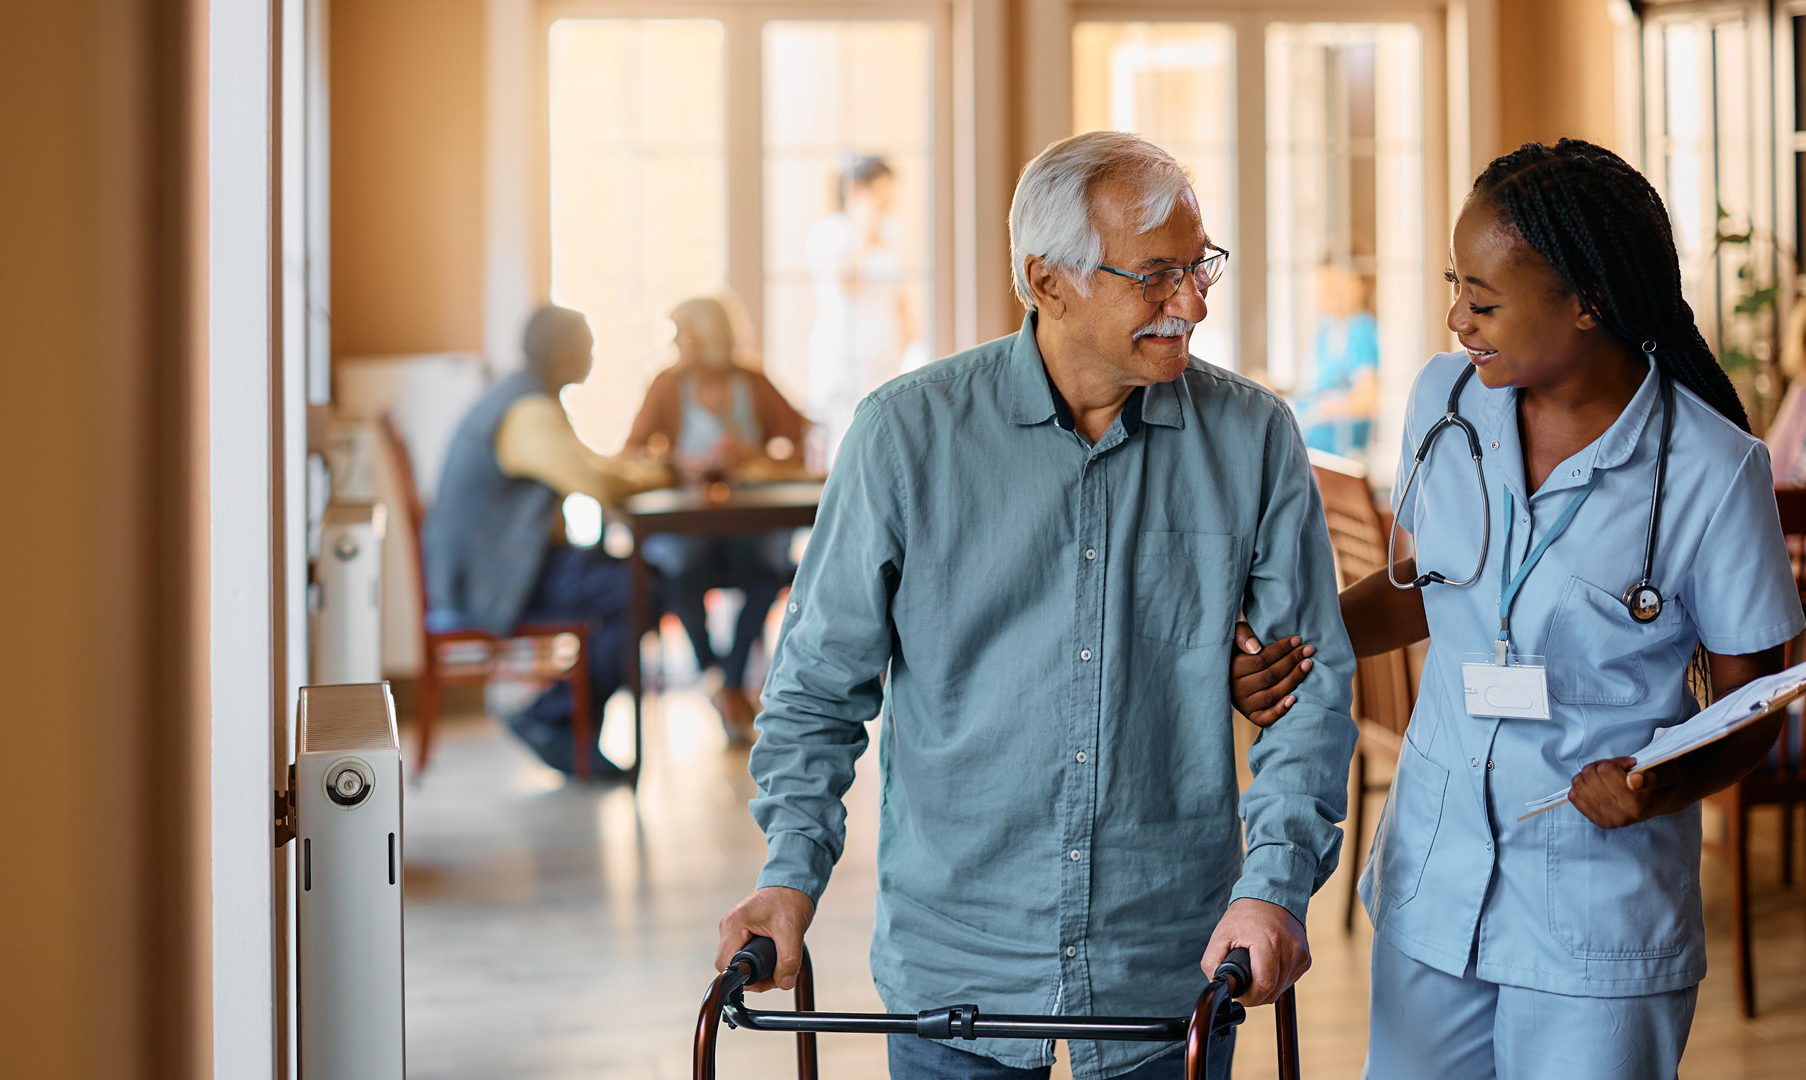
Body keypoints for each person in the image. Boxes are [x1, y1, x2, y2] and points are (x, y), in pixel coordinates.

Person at [715, 131, 1359, 1080]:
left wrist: (1274, 888)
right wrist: (788, 872)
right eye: (1156, 276)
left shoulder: (1254, 438)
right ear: (1047, 280)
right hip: (955, 964)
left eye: (1199, 267)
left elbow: (1310, 695)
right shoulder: (905, 436)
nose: (1193, 302)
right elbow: (818, 686)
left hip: (1170, 964)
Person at [1230, 139, 1806, 1080]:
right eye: (1456, 286)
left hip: (1596, 908)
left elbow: (1754, 699)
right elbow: (1422, 589)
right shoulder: (1444, 399)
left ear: (1588, 301)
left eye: (1484, 300)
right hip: (1437, 879)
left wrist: (1663, 784)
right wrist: (1301, 648)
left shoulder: (1712, 469)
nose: (1457, 317)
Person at [423, 305, 671, 779]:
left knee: (636, 579)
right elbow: (595, 480)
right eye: (588, 346)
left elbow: (590, 468)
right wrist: (663, 472)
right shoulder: (527, 411)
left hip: (500, 565)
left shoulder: (525, 398)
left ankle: (568, 722)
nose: (595, 355)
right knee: (642, 589)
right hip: (492, 579)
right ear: (562, 353)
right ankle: (553, 720)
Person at [624, 297, 815, 742]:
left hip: (750, 518)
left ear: (709, 338)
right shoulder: (667, 385)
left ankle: (726, 682)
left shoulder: (753, 381)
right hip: (689, 522)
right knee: (683, 571)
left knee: (768, 572)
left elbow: (799, 435)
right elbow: (633, 451)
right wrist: (680, 463)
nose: (676, 346)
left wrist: (752, 456)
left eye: (683, 336)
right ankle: (720, 677)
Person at [805, 154, 923, 463]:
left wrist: (913, 348)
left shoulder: (895, 233)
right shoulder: (828, 234)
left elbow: (902, 297)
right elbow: (849, 283)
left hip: (884, 351)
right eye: (880, 190)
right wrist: (862, 224)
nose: (887, 200)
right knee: (843, 441)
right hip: (841, 354)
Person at [1291, 262, 1380, 458]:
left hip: (1340, 452)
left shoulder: (1360, 331)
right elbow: (1316, 388)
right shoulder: (1326, 329)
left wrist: (1325, 409)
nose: (1322, 297)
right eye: (1320, 289)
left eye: (1330, 289)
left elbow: (1367, 400)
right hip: (1311, 445)